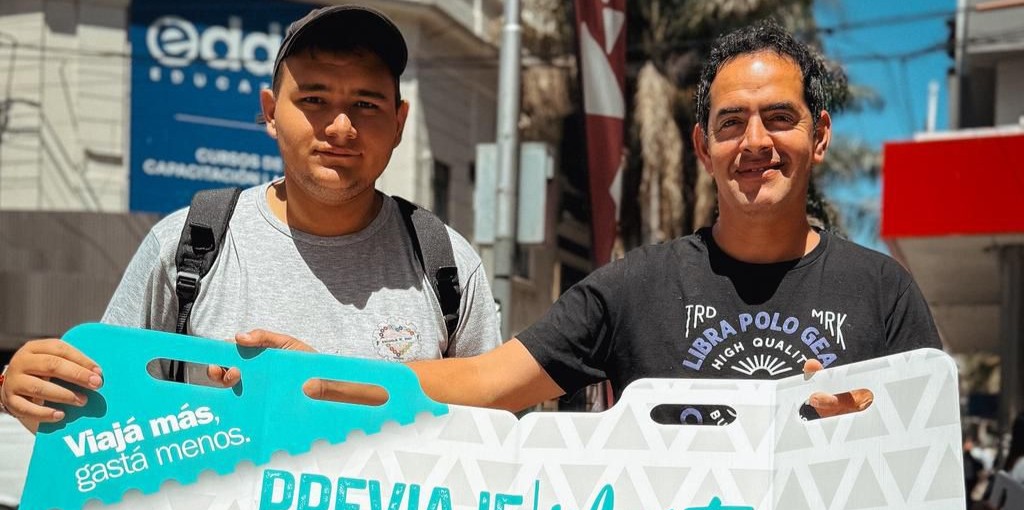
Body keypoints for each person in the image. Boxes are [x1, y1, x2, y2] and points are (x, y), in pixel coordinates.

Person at [198, 19, 941, 415]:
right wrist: (323, 378)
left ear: (819, 136)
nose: (755, 143)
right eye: (730, 123)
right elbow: (484, 382)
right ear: (702, 147)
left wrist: (869, 430)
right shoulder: (635, 288)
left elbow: (929, 456)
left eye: (779, 118)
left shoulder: (883, 291)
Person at [0, 5, 500, 431]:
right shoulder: (187, 246)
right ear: (271, 112)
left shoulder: (447, 265)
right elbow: (99, 409)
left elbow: (494, 425)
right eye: (314, 100)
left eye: (366, 104)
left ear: (399, 121)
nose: (341, 127)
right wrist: (25, 386)